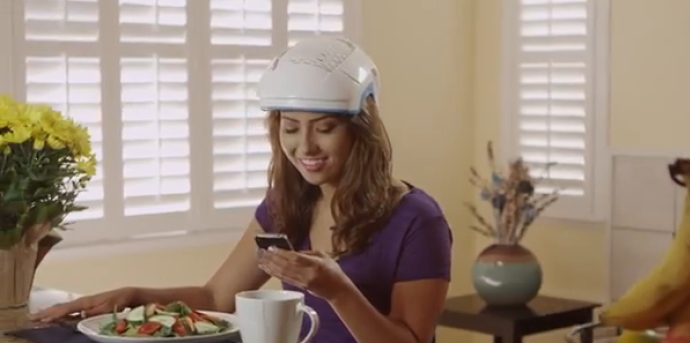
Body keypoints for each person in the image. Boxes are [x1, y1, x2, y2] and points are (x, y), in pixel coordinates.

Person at [32, 36, 454, 343]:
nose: (304, 147)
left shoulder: (417, 220)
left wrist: (337, 290)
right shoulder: (286, 205)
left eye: (324, 128)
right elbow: (217, 297)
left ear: (361, 131)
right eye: (291, 128)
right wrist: (133, 295)